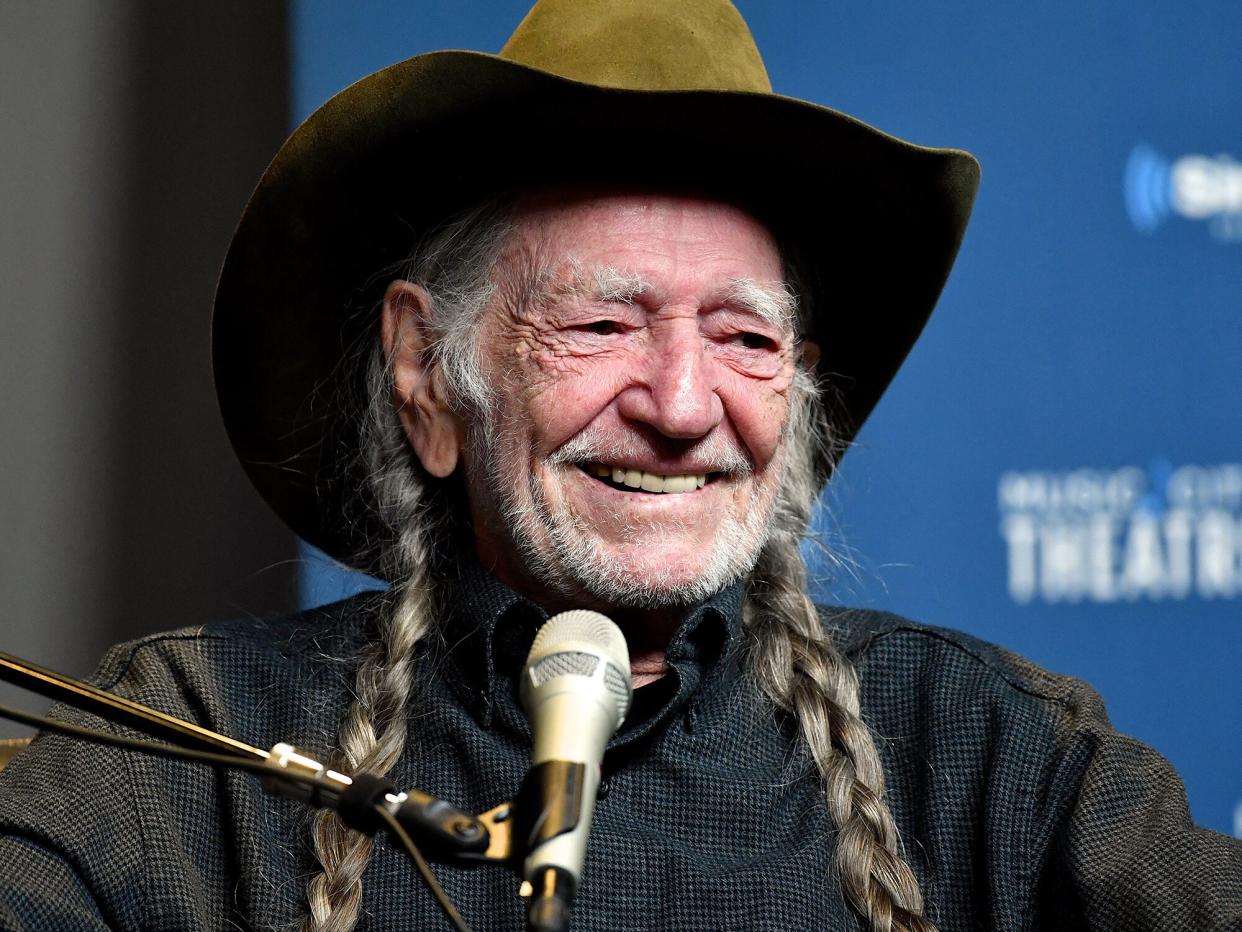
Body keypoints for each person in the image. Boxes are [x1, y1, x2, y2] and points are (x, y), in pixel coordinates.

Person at [1, 1, 1239, 931]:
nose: (683, 405)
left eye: (744, 337)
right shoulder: (191, 747)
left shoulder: (990, 759)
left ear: (795, 392)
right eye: (599, 324)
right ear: (427, 370)